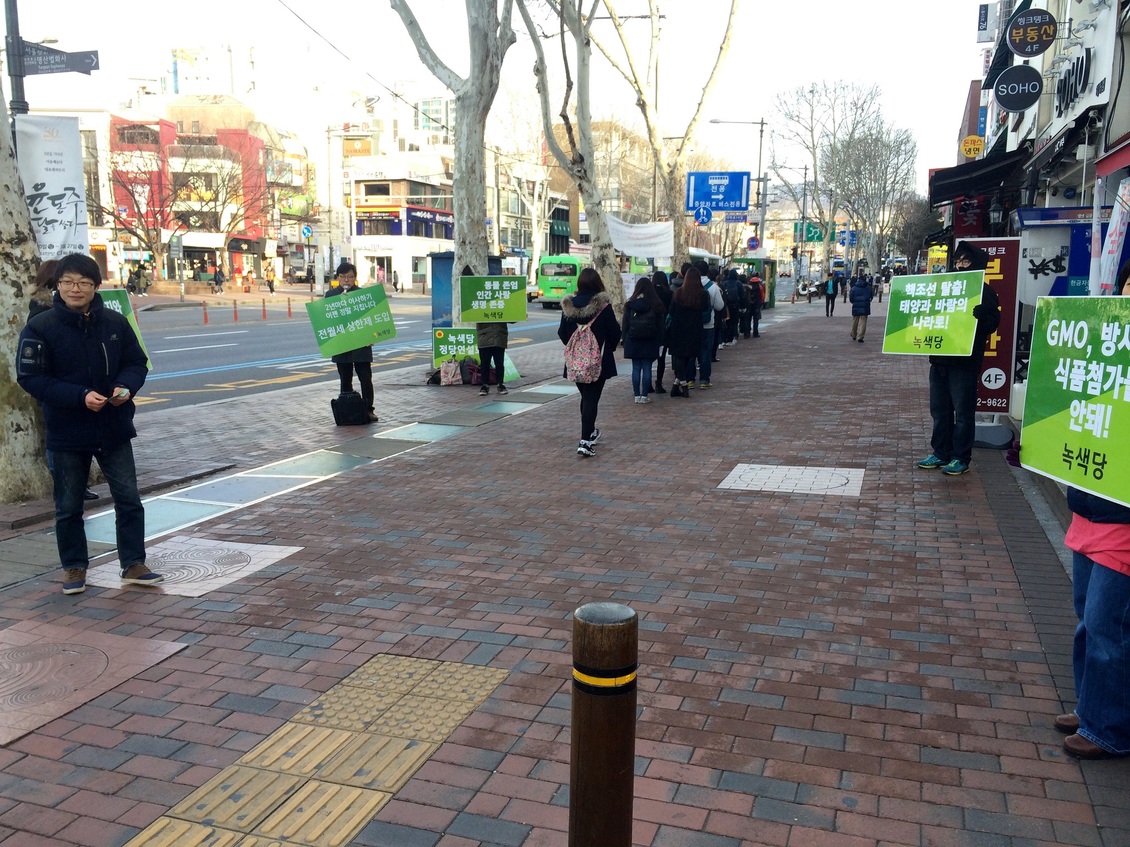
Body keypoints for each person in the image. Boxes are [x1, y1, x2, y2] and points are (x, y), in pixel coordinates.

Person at [16, 253, 164, 595]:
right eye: (68, 282)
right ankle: (74, 568)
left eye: (84, 283)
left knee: (129, 499)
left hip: (113, 427)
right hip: (67, 431)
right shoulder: (40, 327)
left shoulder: (115, 322)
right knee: (68, 507)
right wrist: (79, 395)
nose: (75, 289)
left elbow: (136, 362)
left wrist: (127, 387)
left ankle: (133, 563)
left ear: (96, 286)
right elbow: (31, 378)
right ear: (58, 285)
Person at [1055, 486, 1130, 759]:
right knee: (1089, 617)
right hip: (1091, 510)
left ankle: (1110, 728)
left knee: (1108, 625)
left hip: (1122, 522)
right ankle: (1091, 711)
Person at [915, 241, 1001, 476]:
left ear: (978, 265)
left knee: (963, 412)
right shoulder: (944, 289)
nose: (961, 266)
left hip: (964, 363)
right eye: (958, 261)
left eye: (966, 261)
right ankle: (940, 453)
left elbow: (993, 324)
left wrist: (984, 317)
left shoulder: (985, 292)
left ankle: (960, 457)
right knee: (939, 411)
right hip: (940, 360)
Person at [558, 267, 620, 457]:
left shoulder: (569, 306)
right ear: (597, 283)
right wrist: (605, 347)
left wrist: (576, 348)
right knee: (591, 399)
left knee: (586, 397)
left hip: (575, 362)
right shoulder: (603, 307)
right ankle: (585, 441)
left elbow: (562, 332)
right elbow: (615, 333)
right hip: (598, 362)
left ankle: (590, 432)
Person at [325, 262, 378, 422]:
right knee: (345, 378)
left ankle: (369, 410)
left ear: (355, 278)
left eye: (350, 277)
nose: (346, 280)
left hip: (361, 343)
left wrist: (371, 336)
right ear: (338, 278)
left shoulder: (363, 294)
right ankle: (347, 411)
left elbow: (372, 317)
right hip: (341, 344)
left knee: (365, 378)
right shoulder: (331, 295)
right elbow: (326, 320)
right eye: (343, 277)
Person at [665, 266, 708, 398]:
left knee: (679, 356)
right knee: (690, 356)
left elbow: (671, 311)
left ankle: (680, 383)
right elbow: (706, 310)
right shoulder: (703, 294)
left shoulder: (678, 293)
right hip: (694, 328)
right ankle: (681, 384)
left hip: (678, 328)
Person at [621, 276, 665, 403]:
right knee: (647, 367)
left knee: (636, 368)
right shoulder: (656, 304)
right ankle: (644, 396)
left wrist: (624, 338)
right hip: (651, 340)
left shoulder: (630, 304)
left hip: (633, 339)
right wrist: (661, 342)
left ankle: (636, 395)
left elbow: (625, 324)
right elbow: (661, 327)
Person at [697, 262, 724, 388]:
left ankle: (690, 379)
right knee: (706, 352)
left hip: (692, 324)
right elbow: (720, 306)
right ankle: (704, 380)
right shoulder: (713, 287)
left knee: (691, 352)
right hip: (708, 324)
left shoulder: (689, 285)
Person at [651, 270, 672, 393]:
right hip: (664, 329)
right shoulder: (669, 294)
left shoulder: (649, 294)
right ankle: (659, 383)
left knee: (648, 358)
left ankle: (647, 383)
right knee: (661, 358)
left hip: (649, 329)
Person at [476, 320, 509, 396]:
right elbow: (471, 316)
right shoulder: (480, 308)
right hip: (484, 338)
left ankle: (500, 384)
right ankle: (485, 385)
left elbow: (512, 319)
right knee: (484, 364)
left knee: (499, 363)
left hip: (499, 337)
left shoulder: (502, 308)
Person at [720, 268, 748, 346]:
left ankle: (724, 339)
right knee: (734, 322)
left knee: (726, 322)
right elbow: (742, 295)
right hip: (735, 306)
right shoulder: (738, 284)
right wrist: (742, 306)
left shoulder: (724, 283)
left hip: (726, 306)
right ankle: (732, 338)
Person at [849, 274, 873, 342]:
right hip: (865, 306)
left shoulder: (854, 288)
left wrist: (854, 302)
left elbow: (851, 298)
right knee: (863, 321)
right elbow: (871, 296)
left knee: (855, 321)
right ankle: (860, 336)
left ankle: (854, 334)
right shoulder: (868, 287)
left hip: (856, 306)